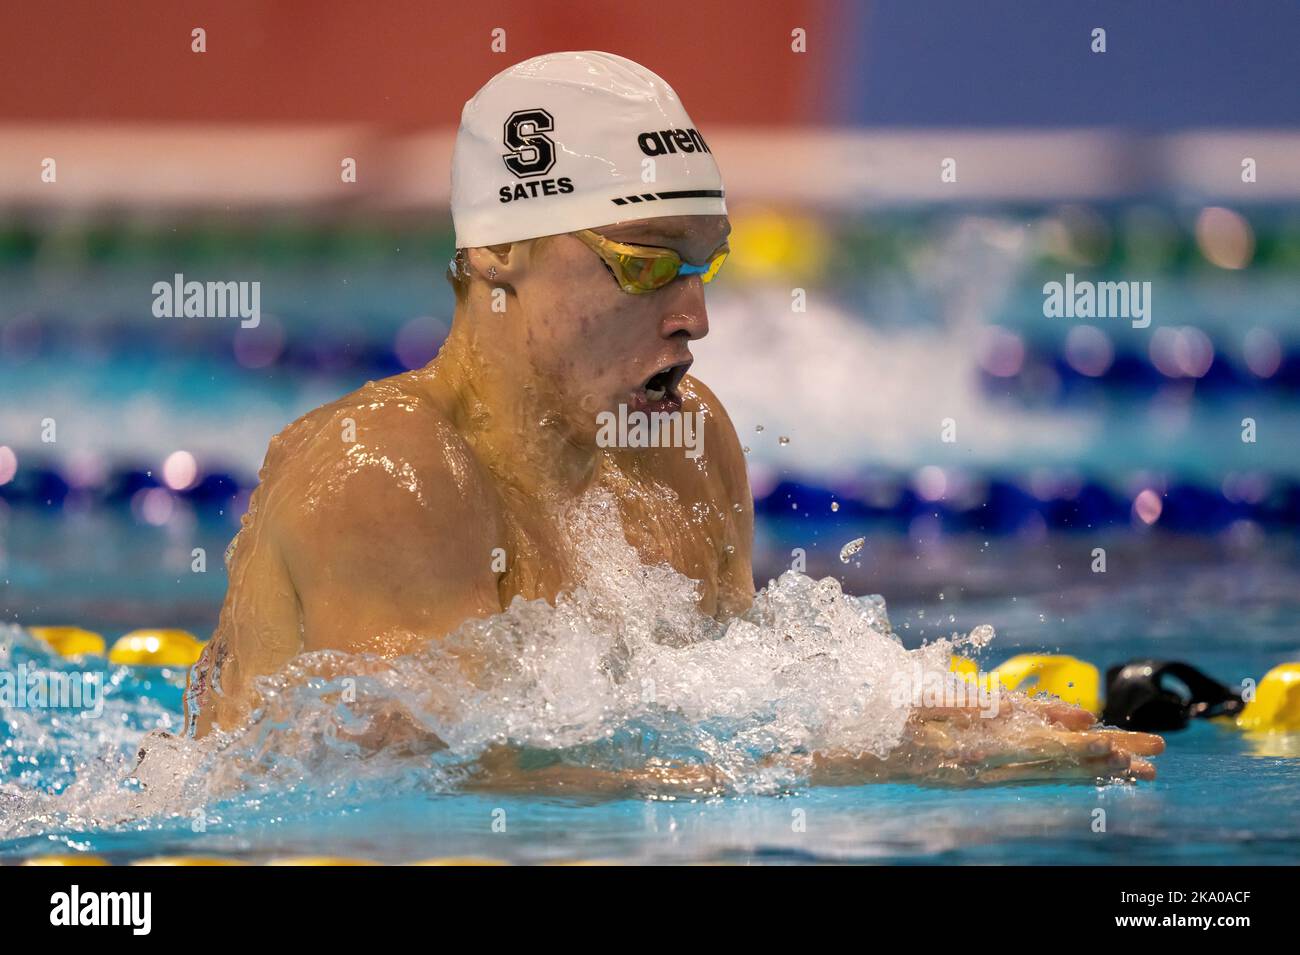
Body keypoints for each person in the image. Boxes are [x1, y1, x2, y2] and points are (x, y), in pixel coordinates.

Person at [183, 51, 1162, 789]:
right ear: (497, 254)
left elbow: (726, 695)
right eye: (646, 260)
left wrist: (922, 715)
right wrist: (861, 763)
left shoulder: (680, 448)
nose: (694, 315)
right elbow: (429, 785)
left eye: (704, 264)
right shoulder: (387, 471)